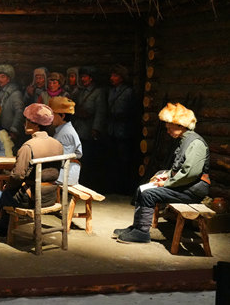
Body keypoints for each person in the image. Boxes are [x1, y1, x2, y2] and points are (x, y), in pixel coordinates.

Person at [0, 103, 64, 237]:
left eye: (27, 120)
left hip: (31, 198)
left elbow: (17, 176)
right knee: (10, 193)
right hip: (50, 196)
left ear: (35, 125)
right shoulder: (57, 145)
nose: (24, 123)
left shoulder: (28, 147)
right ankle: (2, 227)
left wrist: (7, 187)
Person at [114, 102, 210, 244]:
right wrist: (166, 175)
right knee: (142, 189)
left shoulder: (196, 143)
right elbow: (179, 167)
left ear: (180, 125)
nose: (168, 130)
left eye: (170, 127)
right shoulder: (184, 140)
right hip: (185, 186)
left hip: (192, 190)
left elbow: (190, 173)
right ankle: (137, 227)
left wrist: (166, 183)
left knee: (149, 194)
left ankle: (142, 233)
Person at [72, 65, 107, 191]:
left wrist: (96, 129)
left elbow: (100, 112)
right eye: (81, 76)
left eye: (85, 76)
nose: (82, 79)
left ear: (91, 78)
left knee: (89, 158)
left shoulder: (98, 92)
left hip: (89, 129)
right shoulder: (80, 92)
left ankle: (89, 184)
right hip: (79, 128)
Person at [107, 64, 138, 194]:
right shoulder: (111, 91)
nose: (112, 78)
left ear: (122, 77)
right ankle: (114, 186)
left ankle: (124, 188)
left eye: (115, 75)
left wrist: (123, 116)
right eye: (112, 75)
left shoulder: (128, 92)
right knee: (113, 160)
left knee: (124, 160)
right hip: (112, 130)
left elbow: (133, 110)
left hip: (124, 131)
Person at [49, 97, 82, 185]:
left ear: (62, 116)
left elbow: (61, 161)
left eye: (53, 114)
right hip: (59, 174)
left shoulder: (66, 133)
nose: (50, 117)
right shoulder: (62, 130)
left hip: (63, 177)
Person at [0, 64, 24, 144]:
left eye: (3, 77)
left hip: (9, 131)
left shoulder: (15, 94)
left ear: (8, 79)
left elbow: (19, 112)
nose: (0, 80)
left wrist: (14, 129)